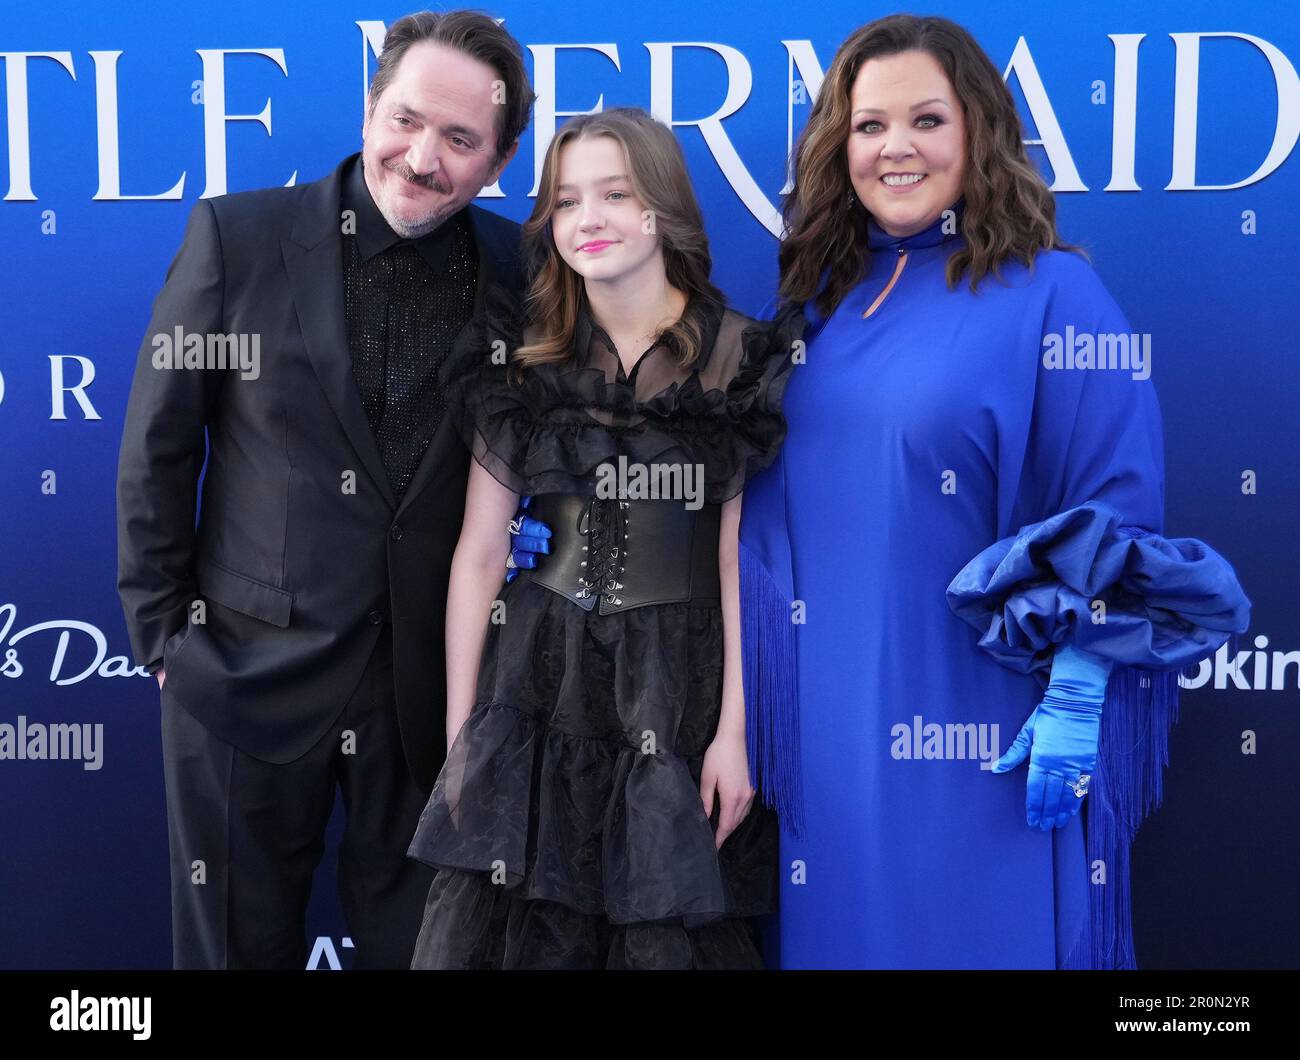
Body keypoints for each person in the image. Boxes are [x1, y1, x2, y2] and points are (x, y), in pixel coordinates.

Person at [738, 14, 1251, 969]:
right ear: (836, 147)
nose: (897, 147)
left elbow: (1116, 507)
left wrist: (1086, 681)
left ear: (978, 131)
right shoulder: (816, 307)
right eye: (869, 125)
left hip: (979, 736)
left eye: (927, 119)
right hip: (823, 750)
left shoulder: (1056, 295)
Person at [115, 10, 547, 969]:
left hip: (430, 701)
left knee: (429, 954)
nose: (422, 157)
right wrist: (163, 639)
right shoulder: (239, 235)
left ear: (501, 157)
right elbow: (159, 444)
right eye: (405, 119)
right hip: (240, 677)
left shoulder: (526, 270)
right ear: (370, 107)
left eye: (460, 139)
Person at [405, 106, 802, 969]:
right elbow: (479, 553)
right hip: (534, 677)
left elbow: (739, 561)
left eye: (616, 194)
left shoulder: (742, 356)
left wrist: (737, 734)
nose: (590, 219)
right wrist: (461, 735)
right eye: (569, 199)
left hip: (676, 687)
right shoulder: (524, 357)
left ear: (661, 207)